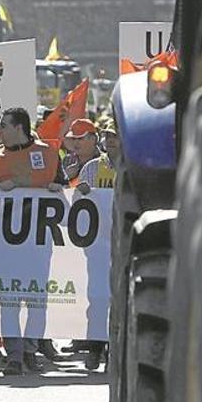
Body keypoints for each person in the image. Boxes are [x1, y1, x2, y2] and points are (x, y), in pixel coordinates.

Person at [0, 107, 63, 375]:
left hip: (38, 245)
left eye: (4, 125)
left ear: (19, 127)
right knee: (8, 302)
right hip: (4, 246)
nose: (0, 130)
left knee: (36, 301)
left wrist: (56, 190)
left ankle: (30, 350)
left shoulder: (49, 155)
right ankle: (14, 356)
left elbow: (64, 194)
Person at [74, 120, 120, 370]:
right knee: (97, 297)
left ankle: (115, 350)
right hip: (98, 246)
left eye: (115, 136)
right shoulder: (92, 168)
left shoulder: (132, 168)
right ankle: (94, 347)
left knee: (118, 298)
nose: (111, 140)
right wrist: (81, 191)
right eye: (108, 136)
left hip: (123, 244)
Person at [62, 118, 100, 186]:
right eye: (73, 138)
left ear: (93, 139)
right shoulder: (67, 160)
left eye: (80, 138)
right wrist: (66, 177)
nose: (75, 142)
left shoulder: (104, 161)